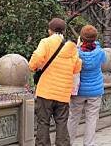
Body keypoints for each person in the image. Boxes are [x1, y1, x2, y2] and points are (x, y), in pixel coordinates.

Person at [29, 18, 82, 146]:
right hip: (63, 93)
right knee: (62, 122)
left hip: (46, 92)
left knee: (43, 122)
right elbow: (77, 67)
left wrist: (32, 67)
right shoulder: (71, 47)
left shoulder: (46, 42)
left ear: (49, 31)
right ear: (64, 31)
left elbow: (37, 57)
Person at [68, 25, 106, 146]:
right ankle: (89, 143)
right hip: (95, 91)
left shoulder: (76, 53)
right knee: (92, 118)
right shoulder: (100, 53)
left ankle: (68, 142)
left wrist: (78, 45)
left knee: (73, 117)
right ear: (95, 38)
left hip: (79, 90)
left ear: (81, 38)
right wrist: (97, 44)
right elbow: (103, 60)